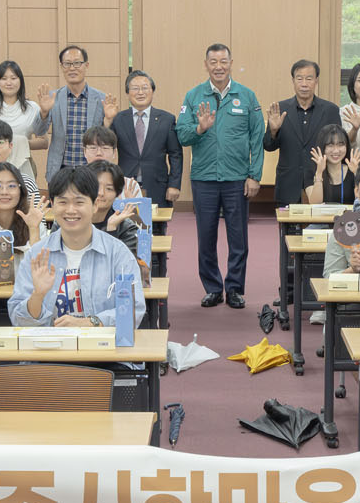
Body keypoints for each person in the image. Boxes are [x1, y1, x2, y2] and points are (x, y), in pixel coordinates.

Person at [176, 43, 264, 309]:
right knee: (206, 237)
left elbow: (257, 137)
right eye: (213, 62)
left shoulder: (246, 96)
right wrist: (200, 129)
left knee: (238, 238)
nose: (218, 67)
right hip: (203, 178)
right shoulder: (194, 96)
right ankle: (213, 288)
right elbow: (182, 135)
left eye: (223, 61)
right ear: (206, 65)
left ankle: (234, 288)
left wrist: (254, 175)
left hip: (237, 178)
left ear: (231, 63)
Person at [10, 166, 146, 328]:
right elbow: (18, 320)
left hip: (101, 344)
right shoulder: (37, 254)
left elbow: (133, 311)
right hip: (49, 344)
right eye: (63, 202)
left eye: (79, 202)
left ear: (95, 205)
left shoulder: (117, 253)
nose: (70, 210)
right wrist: (37, 295)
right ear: (52, 205)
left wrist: (89, 323)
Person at [264, 59, 342, 207]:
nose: (304, 84)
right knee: (287, 222)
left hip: (321, 182)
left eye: (309, 78)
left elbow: (338, 146)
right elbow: (268, 146)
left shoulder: (330, 110)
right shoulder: (280, 108)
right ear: (293, 81)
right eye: (299, 79)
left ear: (316, 81)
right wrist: (273, 131)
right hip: (288, 184)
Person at [110, 70, 183, 210]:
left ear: (152, 91)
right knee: (125, 222)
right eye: (135, 88)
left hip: (158, 186)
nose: (140, 92)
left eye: (144, 88)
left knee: (156, 223)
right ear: (127, 93)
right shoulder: (118, 119)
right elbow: (106, 145)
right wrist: (108, 120)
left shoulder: (167, 119)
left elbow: (176, 154)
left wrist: (174, 184)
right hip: (125, 185)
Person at [36, 44, 112, 175]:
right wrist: (44, 112)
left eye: (77, 63)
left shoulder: (101, 99)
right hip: (60, 171)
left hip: (91, 170)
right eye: (67, 64)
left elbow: (107, 139)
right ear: (62, 67)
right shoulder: (53, 98)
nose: (72, 68)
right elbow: (39, 131)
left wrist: (109, 121)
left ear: (86, 65)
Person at [0, 60, 45, 185]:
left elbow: (44, 142)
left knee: (25, 194)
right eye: (4, 78)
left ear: (20, 81)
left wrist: (17, 142)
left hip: (23, 164)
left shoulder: (32, 107)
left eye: (13, 78)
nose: (9, 83)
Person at [86, 160, 152, 281]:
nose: (101, 193)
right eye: (96, 186)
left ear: (117, 194)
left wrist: (111, 230)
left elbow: (127, 271)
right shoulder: (70, 222)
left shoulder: (127, 227)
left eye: (109, 189)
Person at [303, 124, 357, 207]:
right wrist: (319, 173)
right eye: (330, 145)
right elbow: (315, 204)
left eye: (340, 145)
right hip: (321, 215)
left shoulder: (353, 169)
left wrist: (357, 174)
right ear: (322, 147)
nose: (336, 151)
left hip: (349, 215)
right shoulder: (312, 171)